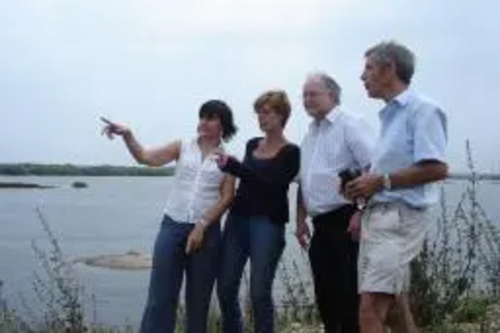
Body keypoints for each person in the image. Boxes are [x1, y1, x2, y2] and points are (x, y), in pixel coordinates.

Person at [100, 100, 238, 333]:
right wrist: (128, 136)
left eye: (210, 117)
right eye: (202, 116)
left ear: (222, 125)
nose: (203, 121)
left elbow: (227, 197)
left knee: (198, 302)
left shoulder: (229, 160)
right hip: (172, 226)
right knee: (160, 298)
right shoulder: (182, 146)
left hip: (207, 233)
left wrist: (202, 226)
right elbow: (145, 157)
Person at [345, 41, 448, 333]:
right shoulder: (389, 116)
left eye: (368, 68)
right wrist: (362, 193)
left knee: (369, 310)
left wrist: (380, 181)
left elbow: (438, 168)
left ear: (390, 68)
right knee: (393, 308)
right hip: (379, 216)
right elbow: (383, 177)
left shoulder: (423, 110)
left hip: (400, 218)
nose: (362, 76)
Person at [215, 90, 300, 333]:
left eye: (267, 112)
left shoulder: (291, 152)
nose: (261, 118)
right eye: (258, 113)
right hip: (237, 221)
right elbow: (247, 180)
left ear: (282, 115)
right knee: (225, 288)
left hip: (268, 225)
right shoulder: (252, 144)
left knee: (259, 292)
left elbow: (272, 187)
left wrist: (236, 167)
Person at [295, 73, 374, 333]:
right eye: (304, 95)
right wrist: (300, 220)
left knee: (348, 293)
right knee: (325, 294)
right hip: (320, 224)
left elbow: (373, 169)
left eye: (313, 94)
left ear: (331, 94)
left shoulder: (350, 124)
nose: (307, 99)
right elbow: (305, 179)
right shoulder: (311, 133)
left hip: (346, 218)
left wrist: (361, 211)